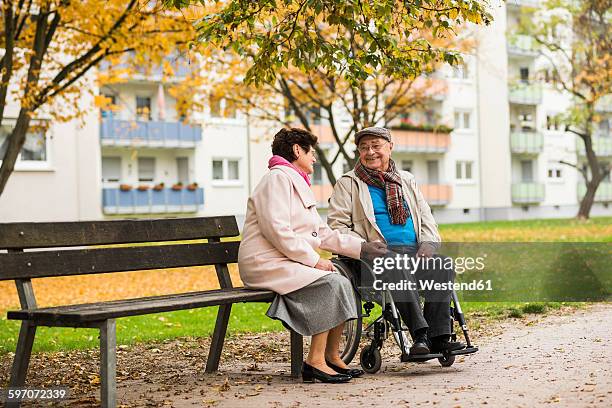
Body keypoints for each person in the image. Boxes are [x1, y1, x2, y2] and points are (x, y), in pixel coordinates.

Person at [238, 127, 387, 383]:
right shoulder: (277, 179)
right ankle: (314, 362)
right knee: (331, 282)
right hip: (265, 264)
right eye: (312, 152)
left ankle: (331, 356)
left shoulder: (295, 181)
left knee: (344, 280)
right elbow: (278, 230)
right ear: (298, 150)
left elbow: (322, 233)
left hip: (284, 261)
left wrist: (361, 247)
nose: (315, 158)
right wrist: (315, 261)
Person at [327, 126, 465, 355]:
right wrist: (364, 246)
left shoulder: (406, 180)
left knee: (443, 265)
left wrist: (429, 244)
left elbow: (426, 217)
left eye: (376, 146)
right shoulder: (348, 183)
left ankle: (439, 337)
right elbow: (337, 227)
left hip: (414, 252)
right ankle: (420, 335)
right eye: (364, 148)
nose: (370, 152)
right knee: (395, 263)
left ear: (390, 147)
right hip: (373, 258)